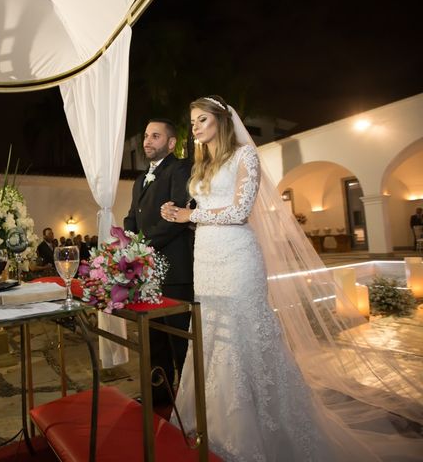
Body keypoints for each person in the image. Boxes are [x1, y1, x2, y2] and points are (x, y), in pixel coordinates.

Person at [161, 96, 423, 461]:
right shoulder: (202, 164)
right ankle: (211, 420)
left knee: (242, 335)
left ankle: (257, 429)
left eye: (202, 119)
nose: (196, 127)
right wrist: (179, 212)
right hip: (205, 257)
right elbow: (202, 211)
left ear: (221, 120)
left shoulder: (244, 156)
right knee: (213, 336)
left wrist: (192, 215)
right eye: (192, 122)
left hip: (237, 257)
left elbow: (238, 211)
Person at [124, 118, 194, 406]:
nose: (147, 141)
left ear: (171, 142)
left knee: (180, 341)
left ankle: (189, 402)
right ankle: (160, 396)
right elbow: (131, 216)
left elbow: (177, 217)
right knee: (154, 340)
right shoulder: (140, 179)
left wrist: (142, 244)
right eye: (146, 136)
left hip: (175, 270)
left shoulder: (180, 169)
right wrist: (127, 241)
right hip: (147, 273)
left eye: (155, 136)